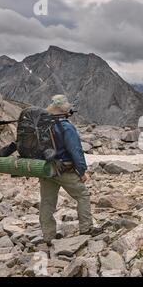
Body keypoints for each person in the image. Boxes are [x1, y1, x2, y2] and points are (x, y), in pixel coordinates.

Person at [40, 95, 101, 246]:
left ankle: (48, 236)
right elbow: (75, 150)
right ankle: (86, 229)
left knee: (47, 202)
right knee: (82, 195)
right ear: (64, 110)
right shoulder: (66, 126)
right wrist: (81, 171)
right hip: (63, 169)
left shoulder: (43, 125)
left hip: (45, 169)